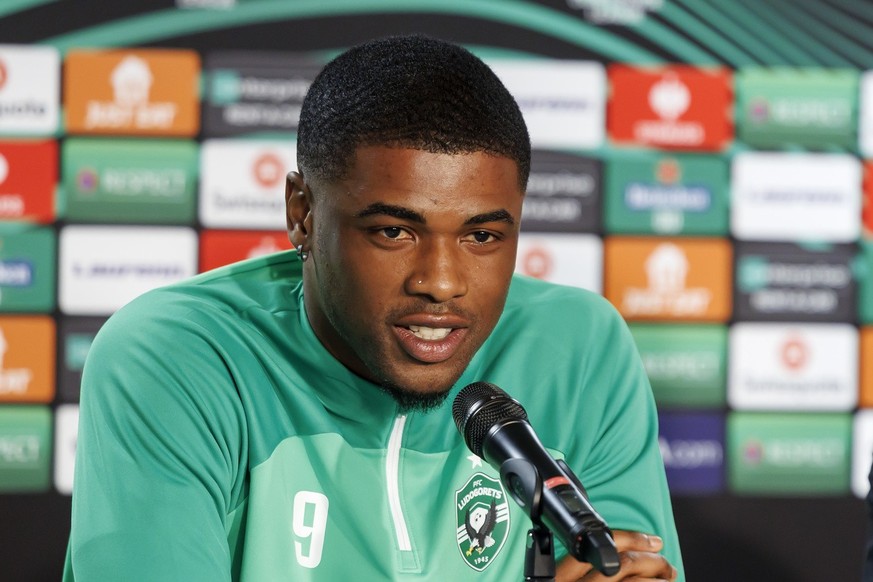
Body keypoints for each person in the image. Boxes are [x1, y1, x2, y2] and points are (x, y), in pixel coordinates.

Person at [63, 34, 683, 581]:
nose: (442, 283)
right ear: (302, 214)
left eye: (482, 236)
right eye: (394, 232)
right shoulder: (176, 357)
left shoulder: (580, 347)